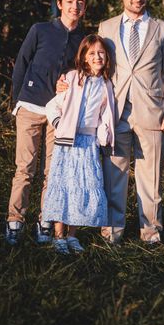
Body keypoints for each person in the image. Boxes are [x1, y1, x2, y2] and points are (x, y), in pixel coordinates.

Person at [97, 0, 164, 244]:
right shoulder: (106, 28)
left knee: (151, 179)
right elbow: (99, 68)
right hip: (115, 112)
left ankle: (151, 234)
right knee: (114, 175)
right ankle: (112, 232)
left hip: (152, 111)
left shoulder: (163, 29)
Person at [5, 0, 87, 246]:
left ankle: (45, 221)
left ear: (84, 8)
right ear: (60, 4)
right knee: (24, 168)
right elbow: (22, 63)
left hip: (59, 112)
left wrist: (71, 80)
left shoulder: (83, 39)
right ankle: (15, 221)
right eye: (70, 1)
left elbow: (85, 72)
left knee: (53, 172)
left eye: (80, 2)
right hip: (30, 107)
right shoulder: (40, 30)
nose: (75, 6)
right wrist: (16, 100)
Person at [42, 35, 115, 254]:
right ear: (83, 57)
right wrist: (59, 124)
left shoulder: (106, 84)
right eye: (91, 53)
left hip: (88, 142)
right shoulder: (72, 78)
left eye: (101, 53)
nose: (97, 57)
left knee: (82, 187)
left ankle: (72, 235)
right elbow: (52, 106)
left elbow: (105, 115)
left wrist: (103, 134)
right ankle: (58, 235)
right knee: (64, 185)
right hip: (67, 142)